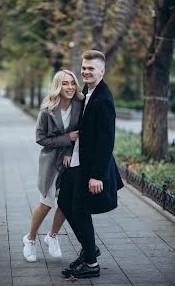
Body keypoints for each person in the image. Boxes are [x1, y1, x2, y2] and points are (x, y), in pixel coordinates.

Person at [58, 50, 124, 279]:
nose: (86, 72)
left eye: (91, 69)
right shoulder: (87, 90)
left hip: (91, 167)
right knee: (64, 202)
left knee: (80, 210)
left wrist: (97, 176)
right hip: (76, 162)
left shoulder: (104, 98)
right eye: (84, 68)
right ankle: (89, 248)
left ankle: (91, 263)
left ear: (102, 71)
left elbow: (107, 140)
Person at [23, 70, 84, 262]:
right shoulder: (47, 110)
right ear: (58, 86)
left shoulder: (80, 105)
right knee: (47, 203)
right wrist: (66, 139)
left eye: (73, 83)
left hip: (70, 160)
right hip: (51, 163)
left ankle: (52, 237)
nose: (70, 87)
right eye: (65, 83)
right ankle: (30, 239)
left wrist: (68, 150)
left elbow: (80, 134)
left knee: (66, 202)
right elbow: (40, 139)